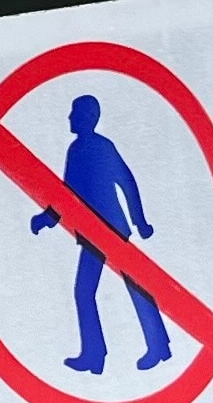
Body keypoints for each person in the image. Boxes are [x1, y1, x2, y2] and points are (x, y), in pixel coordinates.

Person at [29, 93, 177, 375]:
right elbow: (66, 195)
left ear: (88, 118)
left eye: (75, 113)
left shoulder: (100, 147)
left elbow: (126, 180)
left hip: (110, 231)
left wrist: (140, 221)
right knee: (99, 290)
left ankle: (144, 348)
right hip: (94, 233)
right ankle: (99, 354)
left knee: (121, 288)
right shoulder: (76, 150)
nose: (70, 118)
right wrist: (47, 218)